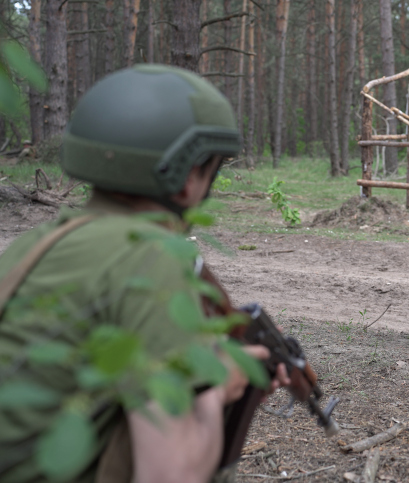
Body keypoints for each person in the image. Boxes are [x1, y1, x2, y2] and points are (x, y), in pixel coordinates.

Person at [0, 65, 290, 483]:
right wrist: (218, 385)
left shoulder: (37, 243)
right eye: (211, 167)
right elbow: (171, 475)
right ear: (188, 174)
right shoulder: (151, 259)